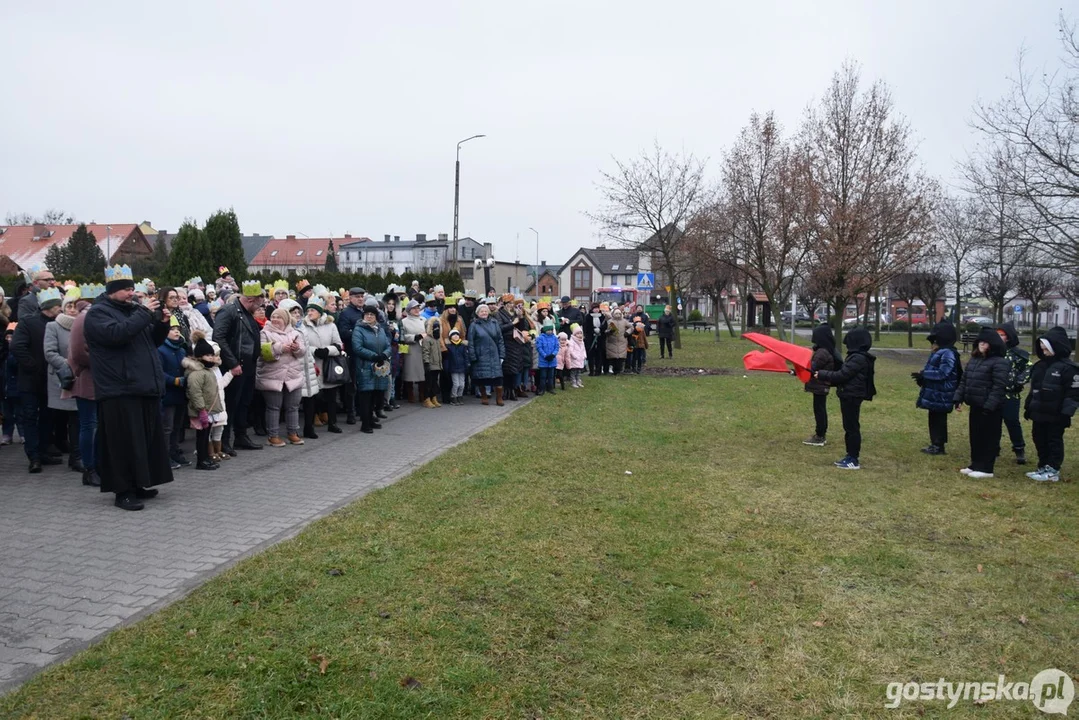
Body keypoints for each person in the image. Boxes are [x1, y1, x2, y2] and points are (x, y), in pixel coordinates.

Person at [84, 265, 174, 510]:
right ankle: (122, 491)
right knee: (122, 443)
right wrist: (144, 314)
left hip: (142, 385)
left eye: (132, 288)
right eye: (125, 289)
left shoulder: (134, 310)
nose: (131, 293)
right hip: (118, 388)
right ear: (112, 290)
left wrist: (162, 325)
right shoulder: (98, 313)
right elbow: (117, 335)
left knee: (142, 441)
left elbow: (150, 342)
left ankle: (139, 484)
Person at [11, 287, 63, 472]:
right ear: (50, 306)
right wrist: (34, 367)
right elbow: (17, 347)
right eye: (58, 306)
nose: (61, 309)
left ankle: (43, 451)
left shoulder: (59, 323)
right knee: (31, 417)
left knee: (48, 418)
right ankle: (33, 456)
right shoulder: (28, 322)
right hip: (31, 381)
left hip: (50, 381)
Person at [213, 281, 265, 453]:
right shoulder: (229, 311)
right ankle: (225, 440)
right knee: (231, 403)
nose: (260, 306)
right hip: (235, 365)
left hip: (248, 365)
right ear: (251, 299)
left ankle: (241, 436)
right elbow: (218, 337)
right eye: (259, 302)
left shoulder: (246, 313)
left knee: (244, 402)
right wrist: (233, 363)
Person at [815, 327, 876, 471]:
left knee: (852, 428)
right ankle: (850, 456)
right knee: (849, 427)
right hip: (849, 394)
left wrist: (823, 374)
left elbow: (842, 375)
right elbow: (843, 377)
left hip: (852, 396)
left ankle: (853, 458)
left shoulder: (858, 358)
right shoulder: (856, 357)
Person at [1024, 327, 1079, 483]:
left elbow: (1073, 394)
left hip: (1056, 414)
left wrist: (1066, 413)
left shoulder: (1069, 369)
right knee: (1039, 438)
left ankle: (1053, 469)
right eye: (1041, 348)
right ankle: (1042, 465)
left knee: (1053, 440)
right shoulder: (1040, 366)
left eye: (1046, 348)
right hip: (1039, 412)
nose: (1043, 351)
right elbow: (1033, 390)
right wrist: (1029, 407)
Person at [953, 327, 1009, 479]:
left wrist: (990, 405)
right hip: (975, 405)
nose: (983, 345)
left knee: (988, 437)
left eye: (986, 342)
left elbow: (999, 386)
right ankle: (975, 464)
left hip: (990, 408)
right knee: (976, 436)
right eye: (981, 342)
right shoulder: (975, 360)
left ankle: (986, 468)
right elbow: (965, 380)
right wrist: (958, 398)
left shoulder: (999, 363)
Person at [43, 287, 82, 473]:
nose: (73, 310)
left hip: (80, 377)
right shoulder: (53, 326)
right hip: (62, 378)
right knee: (59, 417)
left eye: (75, 306)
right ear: (63, 308)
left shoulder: (83, 325)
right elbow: (49, 352)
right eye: (69, 306)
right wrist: (68, 364)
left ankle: (76, 457)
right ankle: (53, 447)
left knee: (77, 419)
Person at [256, 307, 306, 447]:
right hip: (272, 376)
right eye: (273, 316)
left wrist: (297, 348)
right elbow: (262, 352)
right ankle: (273, 435)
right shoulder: (264, 333)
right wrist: (280, 348)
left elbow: (303, 352)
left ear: (286, 319)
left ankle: (293, 433)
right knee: (273, 407)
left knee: (293, 406)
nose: (275, 319)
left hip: (293, 376)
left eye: (279, 317)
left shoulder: (295, 333)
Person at [913, 321, 962, 455]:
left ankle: (938, 445)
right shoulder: (940, 352)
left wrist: (924, 374)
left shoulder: (947, 353)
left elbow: (943, 373)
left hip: (942, 392)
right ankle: (935, 443)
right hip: (937, 392)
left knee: (938, 419)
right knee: (934, 418)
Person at [66, 292, 100, 486]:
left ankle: (97, 465)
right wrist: (103, 363)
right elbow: (78, 353)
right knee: (89, 425)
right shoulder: (84, 319)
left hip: (99, 380)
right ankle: (89, 468)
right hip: (85, 378)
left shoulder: (94, 316)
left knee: (95, 425)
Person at [302, 297, 345, 436]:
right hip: (312, 364)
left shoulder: (331, 325)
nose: (309, 313)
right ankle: (309, 426)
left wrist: (327, 350)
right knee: (311, 397)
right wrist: (315, 351)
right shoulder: (303, 325)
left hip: (328, 364)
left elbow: (339, 344)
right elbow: (302, 345)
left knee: (331, 396)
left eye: (313, 310)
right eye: (308, 310)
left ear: (320, 312)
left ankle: (332, 423)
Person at [183, 333, 223, 471]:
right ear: (200, 357)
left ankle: (206, 457)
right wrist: (201, 410)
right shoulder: (196, 373)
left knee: (206, 436)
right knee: (201, 437)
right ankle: (201, 460)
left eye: (212, 355)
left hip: (209, 409)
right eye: (208, 356)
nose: (211, 358)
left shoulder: (208, 370)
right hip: (202, 410)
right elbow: (195, 393)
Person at [351, 302, 390, 433]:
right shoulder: (359, 329)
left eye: (372, 314)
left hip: (379, 366)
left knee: (376, 394)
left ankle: (372, 419)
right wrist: (373, 356)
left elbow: (388, 344)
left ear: (376, 316)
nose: (369, 316)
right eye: (367, 314)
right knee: (365, 395)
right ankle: (365, 423)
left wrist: (385, 354)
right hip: (365, 366)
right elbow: (357, 348)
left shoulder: (381, 329)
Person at [996, 322, 1031, 465]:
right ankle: (993, 447)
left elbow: (1028, 368)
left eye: (1002, 335)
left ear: (1008, 337)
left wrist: (1019, 381)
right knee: (993, 422)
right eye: (997, 335)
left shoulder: (1018, 354)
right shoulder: (994, 352)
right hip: (994, 393)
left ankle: (1019, 448)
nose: (999, 338)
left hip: (1011, 395)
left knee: (1012, 422)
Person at [158, 317, 190, 469]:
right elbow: (159, 372)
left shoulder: (182, 349)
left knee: (177, 426)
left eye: (178, 328)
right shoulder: (160, 350)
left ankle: (174, 451)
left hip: (180, 394)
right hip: (168, 393)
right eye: (172, 329)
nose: (176, 331)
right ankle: (164, 456)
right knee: (167, 427)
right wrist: (175, 380)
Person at [803, 324, 841, 447]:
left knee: (819, 410)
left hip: (820, 386)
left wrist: (798, 368)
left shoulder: (822, 353)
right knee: (820, 409)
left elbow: (811, 368)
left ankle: (820, 436)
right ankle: (820, 434)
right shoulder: (825, 350)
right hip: (821, 386)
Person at [467, 303, 505, 406]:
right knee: (482, 379)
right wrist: (473, 356)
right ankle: (484, 396)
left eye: (485, 311)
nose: (484, 313)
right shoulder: (474, 325)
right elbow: (471, 342)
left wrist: (502, 355)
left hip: (494, 354)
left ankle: (499, 398)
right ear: (477, 313)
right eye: (481, 311)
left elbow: (500, 339)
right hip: (481, 355)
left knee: (498, 379)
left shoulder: (494, 322)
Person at [399, 299, 428, 404]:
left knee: (422, 372)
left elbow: (428, 332)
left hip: (422, 347)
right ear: (409, 310)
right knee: (410, 372)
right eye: (414, 308)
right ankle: (410, 395)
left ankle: (422, 394)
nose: (416, 310)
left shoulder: (423, 319)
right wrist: (415, 337)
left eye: (417, 308)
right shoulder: (404, 321)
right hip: (411, 348)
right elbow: (403, 336)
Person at [421, 317, 443, 408]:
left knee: (434, 383)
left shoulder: (437, 339)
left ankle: (433, 397)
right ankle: (426, 399)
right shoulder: (427, 339)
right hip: (430, 364)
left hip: (437, 364)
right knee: (428, 383)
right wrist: (426, 363)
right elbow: (425, 351)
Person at [445, 328, 469, 405]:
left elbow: (466, 357)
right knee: (456, 384)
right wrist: (447, 367)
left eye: (457, 335)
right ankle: (453, 397)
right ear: (450, 337)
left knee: (462, 384)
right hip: (453, 368)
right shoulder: (449, 347)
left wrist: (467, 364)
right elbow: (447, 359)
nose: (455, 336)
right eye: (453, 335)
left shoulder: (463, 346)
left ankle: (460, 396)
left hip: (462, 368)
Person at [536, 320, 559, 395]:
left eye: (551, 330)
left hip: (552, 360)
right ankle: (542, 389)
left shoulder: (554, 338)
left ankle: (550, 388)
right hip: (544, 360)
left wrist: (553, 354)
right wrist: (545, 355)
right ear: (545, 330)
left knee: (551, 376)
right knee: (543, 376)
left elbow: (557, 347)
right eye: (548, 330)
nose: (550, 331)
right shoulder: (540, 338)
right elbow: (539, 348)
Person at [605, 308, 630, 375]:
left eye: (619, 313)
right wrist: (609, 332)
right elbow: (605, 330)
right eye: (616, 313)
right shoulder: (609, 321)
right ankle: (613, 369)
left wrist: (627, 332)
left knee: (621, 357)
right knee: (613, 357)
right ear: (613, 314)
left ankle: (619, 370)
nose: (618, 315)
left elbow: (631, 327)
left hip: (622, 341)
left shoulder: (624, 321)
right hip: (612, 341)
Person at [584, 303, 607, 376]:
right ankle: (591, 371)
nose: (596, 309)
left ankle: (598, 370)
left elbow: (605, 326)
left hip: (600, 338)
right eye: (595, 308)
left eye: (597, 308)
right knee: (591, 355)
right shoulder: (588, 317)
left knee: (599, 355)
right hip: (591, 339)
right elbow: (586, 327)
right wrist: (593, 330)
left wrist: (600, 329)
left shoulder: (602, 317)